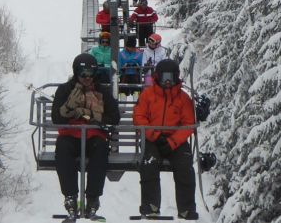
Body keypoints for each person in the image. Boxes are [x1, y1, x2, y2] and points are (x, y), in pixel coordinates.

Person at [52, 53, 121, 219]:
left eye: (91, 74)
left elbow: (114, 117)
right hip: (70, 135)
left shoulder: (101, 91)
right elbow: (56, 118)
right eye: (83, 74)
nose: (87, 78)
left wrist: (92, 115)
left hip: (93, 136)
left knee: (101, 148)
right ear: (76, 73)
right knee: (62, 148)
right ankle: (70, 197)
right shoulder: (65, 90)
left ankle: (92, 198)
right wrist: (68, 108)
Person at [133, 59, 198, 220]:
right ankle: (150, 206)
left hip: (176, 140)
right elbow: (139, 117)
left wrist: (172, 142)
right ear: (157, 77)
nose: (167, 81)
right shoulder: (148, 95)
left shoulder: (183, 98)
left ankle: (186, 208)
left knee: (185, 166)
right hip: (153, 138)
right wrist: (155, 135)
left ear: (176, 77)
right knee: (149, 163)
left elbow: (189, 123)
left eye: (171, 77)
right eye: (164, 77)